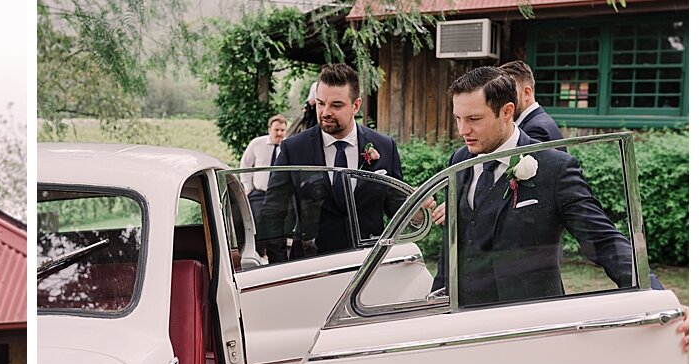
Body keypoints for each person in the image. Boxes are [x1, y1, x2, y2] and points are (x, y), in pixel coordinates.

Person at [437, 66, 633, 306]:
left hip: (529, 320)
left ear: (507, 111)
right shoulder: (459, 160)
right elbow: (451, 248)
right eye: (458, 118)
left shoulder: (555, 168)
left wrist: (654, 294)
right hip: (462, 319)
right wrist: (437, 300)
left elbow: (604, 241)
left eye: (474, 119)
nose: (463, 130)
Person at [260, 63, 404, 260]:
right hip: (310, 267)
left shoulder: (385, 147)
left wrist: (419, 212)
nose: (325, 112)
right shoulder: (293, 149)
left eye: (336, 105)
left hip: (367, 267)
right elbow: (273, 212)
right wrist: (279, 268)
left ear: (356, 105)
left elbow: (398, 210)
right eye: (320, 103)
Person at [497, 60, 562, 144]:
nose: (500, 100)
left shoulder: (536, 130)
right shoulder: (537, 122)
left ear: (527, 93)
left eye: (508, 92)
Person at [239, 114, 289, 219]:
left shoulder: (290, 146)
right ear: (269, 129)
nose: (279, 133)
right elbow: (245, 164)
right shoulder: (257, 143)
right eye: (276, 130)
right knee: (258, 223)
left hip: (281, 196)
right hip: (259, 194)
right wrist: (248, 188)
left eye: (282, 130)